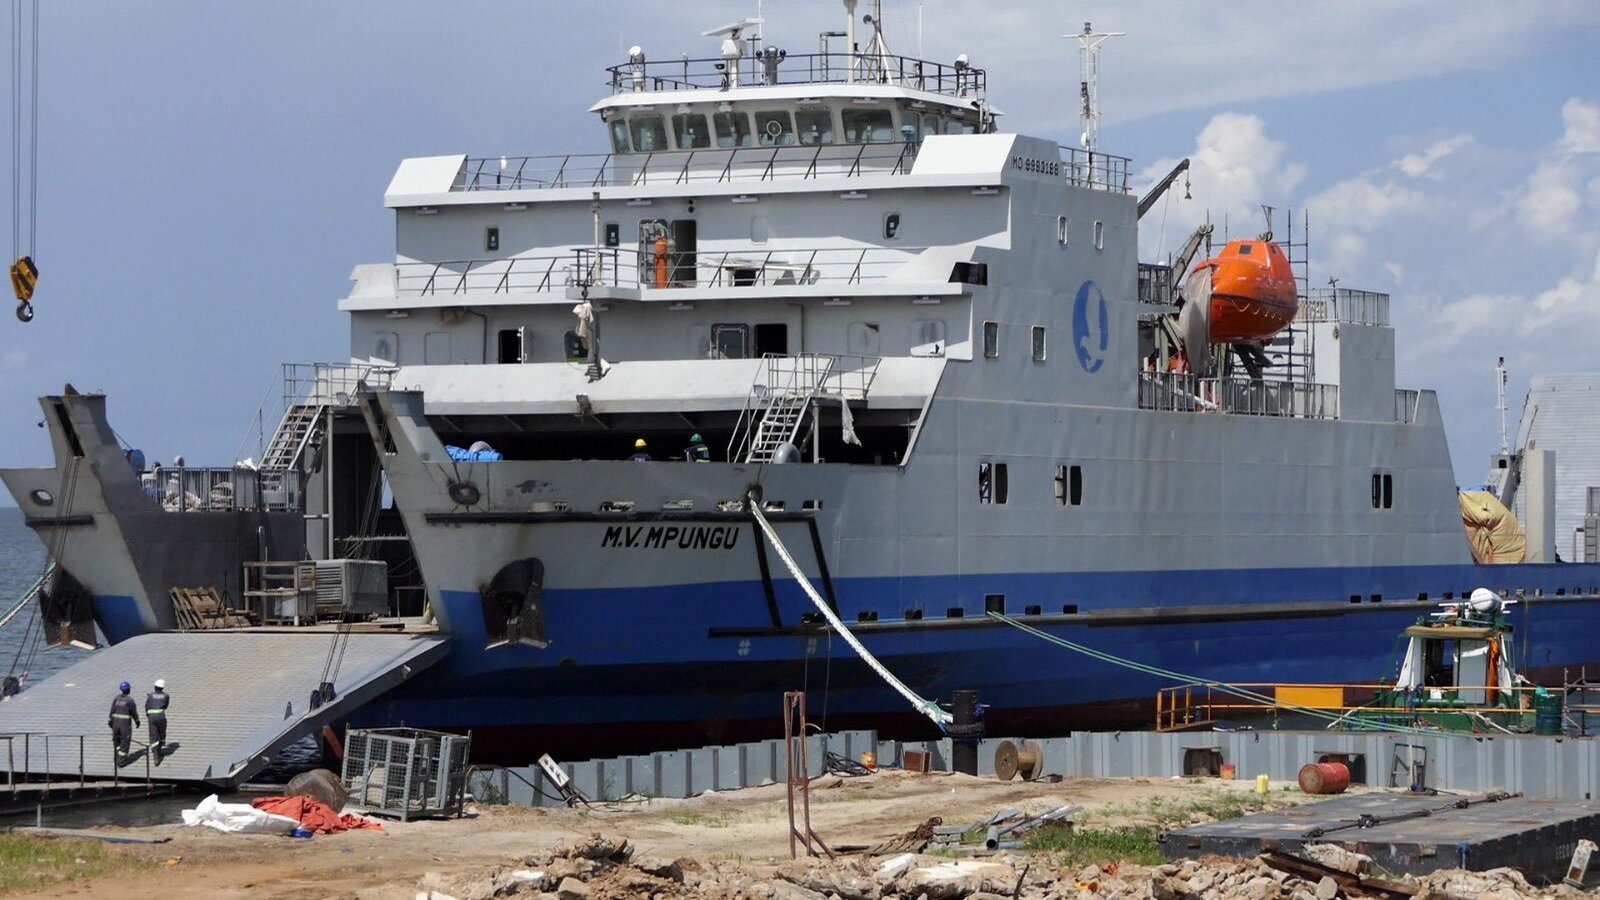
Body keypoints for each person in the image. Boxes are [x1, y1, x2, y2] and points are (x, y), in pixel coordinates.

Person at [108, 681, 140, 765]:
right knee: (125, 742)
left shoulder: (116, 698)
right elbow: (134, 712)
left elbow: (112, 710)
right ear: (128, 689)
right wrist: (137, 721)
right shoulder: (130, 700)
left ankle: (116, 759)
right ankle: (121, 762)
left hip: (115, 724)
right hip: (124, 725)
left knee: (116, 742)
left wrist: (110, 721)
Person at [145, 679, 170, 765]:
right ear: (162, 688)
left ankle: (156, 757)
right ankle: (159, 750)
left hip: (152, 717)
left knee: (153, 736)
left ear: (155, 687)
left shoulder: (150, 695)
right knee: (162, 733)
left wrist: (148, 716)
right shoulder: (166, 696)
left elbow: (147, 706)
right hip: (161, 717)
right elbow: (166, 706)